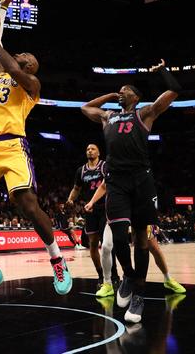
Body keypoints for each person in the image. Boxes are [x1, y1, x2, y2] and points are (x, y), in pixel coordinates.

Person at [0, 0, 72, 304]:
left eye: (27, 56)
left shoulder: (31, 84)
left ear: (32, 66)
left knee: (28, 205)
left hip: (13, 147)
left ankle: (57, 260)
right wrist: (2, 10)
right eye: (19, 53)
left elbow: (6, 57)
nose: (22, 55)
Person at [81, 58, 181, 323]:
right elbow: (85, 108)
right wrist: (109, 95)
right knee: (117, 236)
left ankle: (139, 295)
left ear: (136, 97)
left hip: (141, 180)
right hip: (116, 181)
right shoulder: (108, 116)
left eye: (126, 90)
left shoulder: (144, 113)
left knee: (141, 238)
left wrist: (162, 71)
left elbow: (174, 90)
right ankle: (128, 275)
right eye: (120, 90)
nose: (121, 91)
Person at [85, 181, 186, 297]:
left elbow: (150, 194)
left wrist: (154, 219)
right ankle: (107, 284)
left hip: (139, 210)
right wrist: (92, 202)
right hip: (119, 211)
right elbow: (103, 186)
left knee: (153, 247)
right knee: (106, 246)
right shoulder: (113, 171)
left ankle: (168, 279)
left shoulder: (140, 174)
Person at [66, 144, 107, 290]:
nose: (90, 151)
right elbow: (76, 188)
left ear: (98, 152)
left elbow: (107, 186)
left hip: (106, 209)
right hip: (90, 211)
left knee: (107, 245)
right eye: (88, 149)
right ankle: (100, 275)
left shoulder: (104, 166)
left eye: (93, 149)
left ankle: (112, 275)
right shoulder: (81, 171)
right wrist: (70, 199)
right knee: (93, 244)